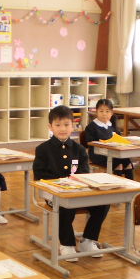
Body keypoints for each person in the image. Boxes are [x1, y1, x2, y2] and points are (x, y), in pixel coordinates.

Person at [33, 105, 110, 262]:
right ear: (50, 127)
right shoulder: (42, 149)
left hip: (78, 191)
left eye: (66, 124)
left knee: (103, 203)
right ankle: (66, 243)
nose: (62, 129)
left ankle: (88, 240)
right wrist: (61, 184)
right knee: (64, 206)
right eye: (58, 125)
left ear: (73, 126)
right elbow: (40, 175)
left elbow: (84, 172)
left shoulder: (79, 149)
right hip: (53, 193)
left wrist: (75, 184)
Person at [83, 98, 134, 179]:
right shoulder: (91, 127)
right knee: (118, 162)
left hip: (113, 153)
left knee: (127, 161)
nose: (104, 114)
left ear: (111, 113)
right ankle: (117, 183)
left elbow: (119, 138)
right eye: (101, 111)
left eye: (107, 111)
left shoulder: (112, 125)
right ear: (96, 112)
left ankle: (130, 183)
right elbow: (89, 142)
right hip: (98, 155)